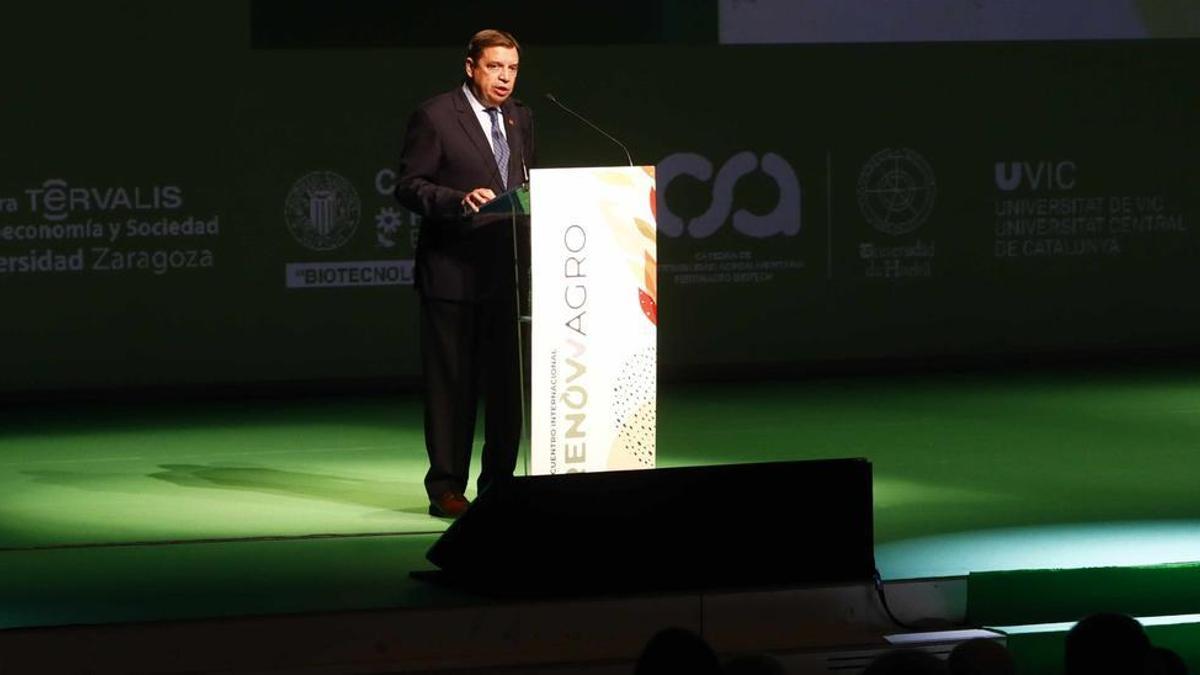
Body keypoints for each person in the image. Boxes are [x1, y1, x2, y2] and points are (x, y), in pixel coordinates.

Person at [394, 29, 535, 519]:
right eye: (495, 67)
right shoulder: (435, 116)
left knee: (506, 389)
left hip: (508, 276)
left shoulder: (521, 119)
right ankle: (447, 488)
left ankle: (500, 481)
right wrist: (457, 201)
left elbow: (523, 186)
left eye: (512, 69)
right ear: (471, 66)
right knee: (451, 388)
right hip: (452, 273)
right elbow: (409, 186)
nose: (504, 78)